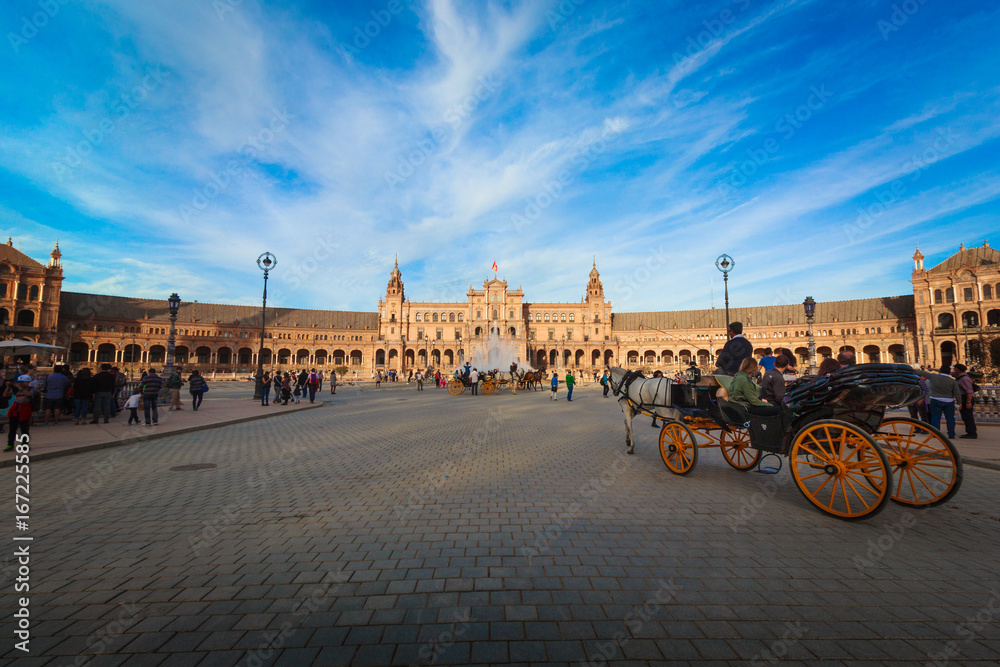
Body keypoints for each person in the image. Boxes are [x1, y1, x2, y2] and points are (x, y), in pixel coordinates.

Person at [915, 364, 961, 439]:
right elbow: (957, 393)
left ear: (940, 371)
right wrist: (959, 403)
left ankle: (936, 434)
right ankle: (951, 434)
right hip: (948, 401)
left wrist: (911, 369)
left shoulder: (934, 377)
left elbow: (921, 373)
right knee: (950, 418)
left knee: (935, 417)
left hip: (935, 399)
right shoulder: (952, 381)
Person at [4, 375, 35, 451]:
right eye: (19, 382)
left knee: (24, 429)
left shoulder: (32, 388)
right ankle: (10, 444)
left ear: (28, 382)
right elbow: (5, 395)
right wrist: (8, 387)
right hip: (15, 410)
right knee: (12, 428)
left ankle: (25, 444)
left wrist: (19, 387)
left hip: (25, 410)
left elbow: (29, 394)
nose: (20, 383)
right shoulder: (17, 389)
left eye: (22, 382)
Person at [952, 363, 977, 439]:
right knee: (965, 416)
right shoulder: (959, 376)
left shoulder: (964, 379)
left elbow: (969, 391)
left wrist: (968, 402)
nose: (953, 370)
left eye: (954, 368)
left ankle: (972, 433)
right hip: (963, 398)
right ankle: (970, 431)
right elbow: (947, 372)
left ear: (958, 369)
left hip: (966, 398)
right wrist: (933, 369)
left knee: (968, 416)